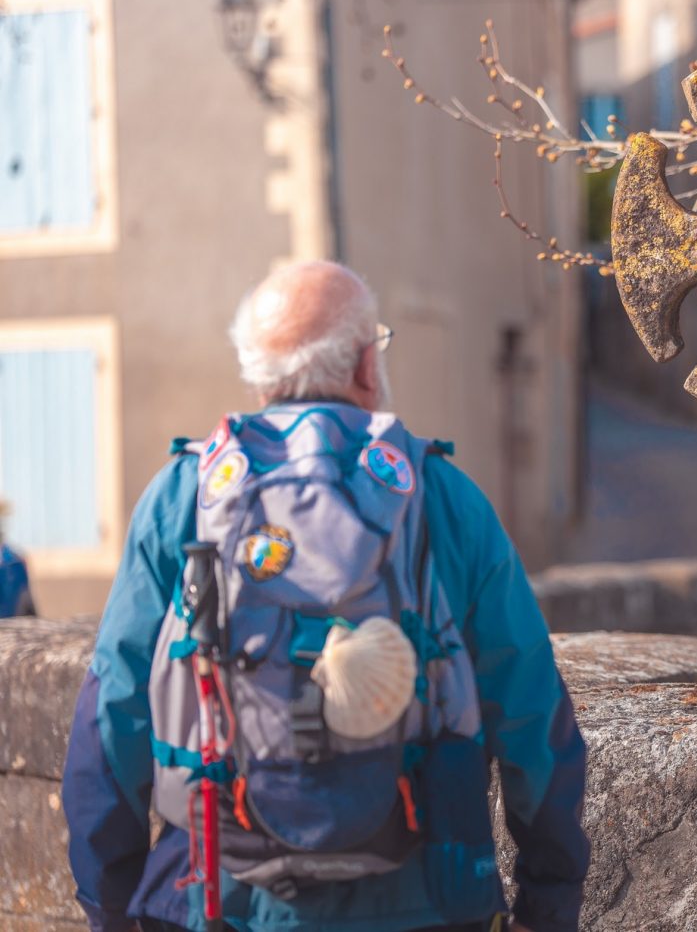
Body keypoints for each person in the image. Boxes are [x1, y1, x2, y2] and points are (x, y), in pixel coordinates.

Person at [63, 261, 588, 932]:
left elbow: (112, 716)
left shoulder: (184, 495)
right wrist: (549, 902)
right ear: (368, 365)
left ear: (259, 375)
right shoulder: (442, 498)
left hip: (217, 897)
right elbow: (531, 712)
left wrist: (109, 905)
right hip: (425, 899)